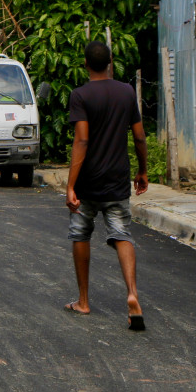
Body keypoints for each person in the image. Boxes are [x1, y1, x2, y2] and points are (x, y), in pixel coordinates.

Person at [64, 41, 148, 331]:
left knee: (80, 233)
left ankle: (83, 301)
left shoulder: (80, 95)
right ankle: (132, 294)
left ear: (85, 64)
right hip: (117, 179)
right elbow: (139, 136)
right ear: (110, 61)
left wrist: (70, 185)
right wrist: (143, 170)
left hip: (88, 181)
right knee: (122, 234)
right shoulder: (127, 92)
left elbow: (82, 140)